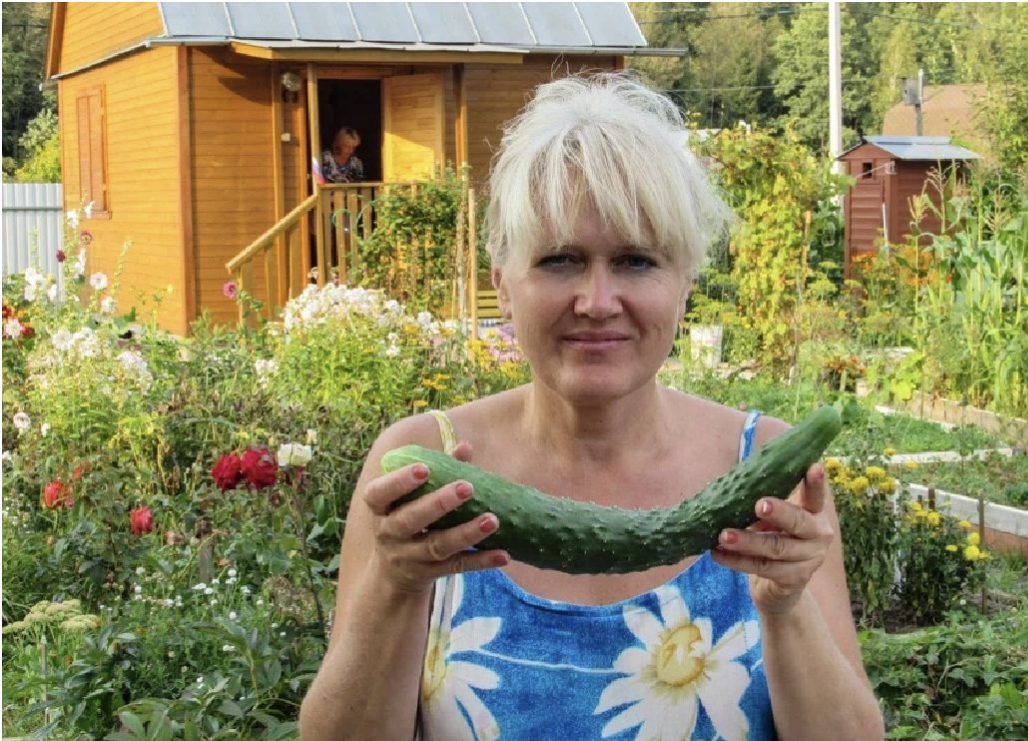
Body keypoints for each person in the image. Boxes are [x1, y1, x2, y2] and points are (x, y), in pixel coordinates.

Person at [299, 74, 884, 740]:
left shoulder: (766, 471)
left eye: (636, 261)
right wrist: (395, 587)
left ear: (684, 285)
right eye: (560, 260)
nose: (598, 300)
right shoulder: (419, 466)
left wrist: (786, 608)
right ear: (504, 287)